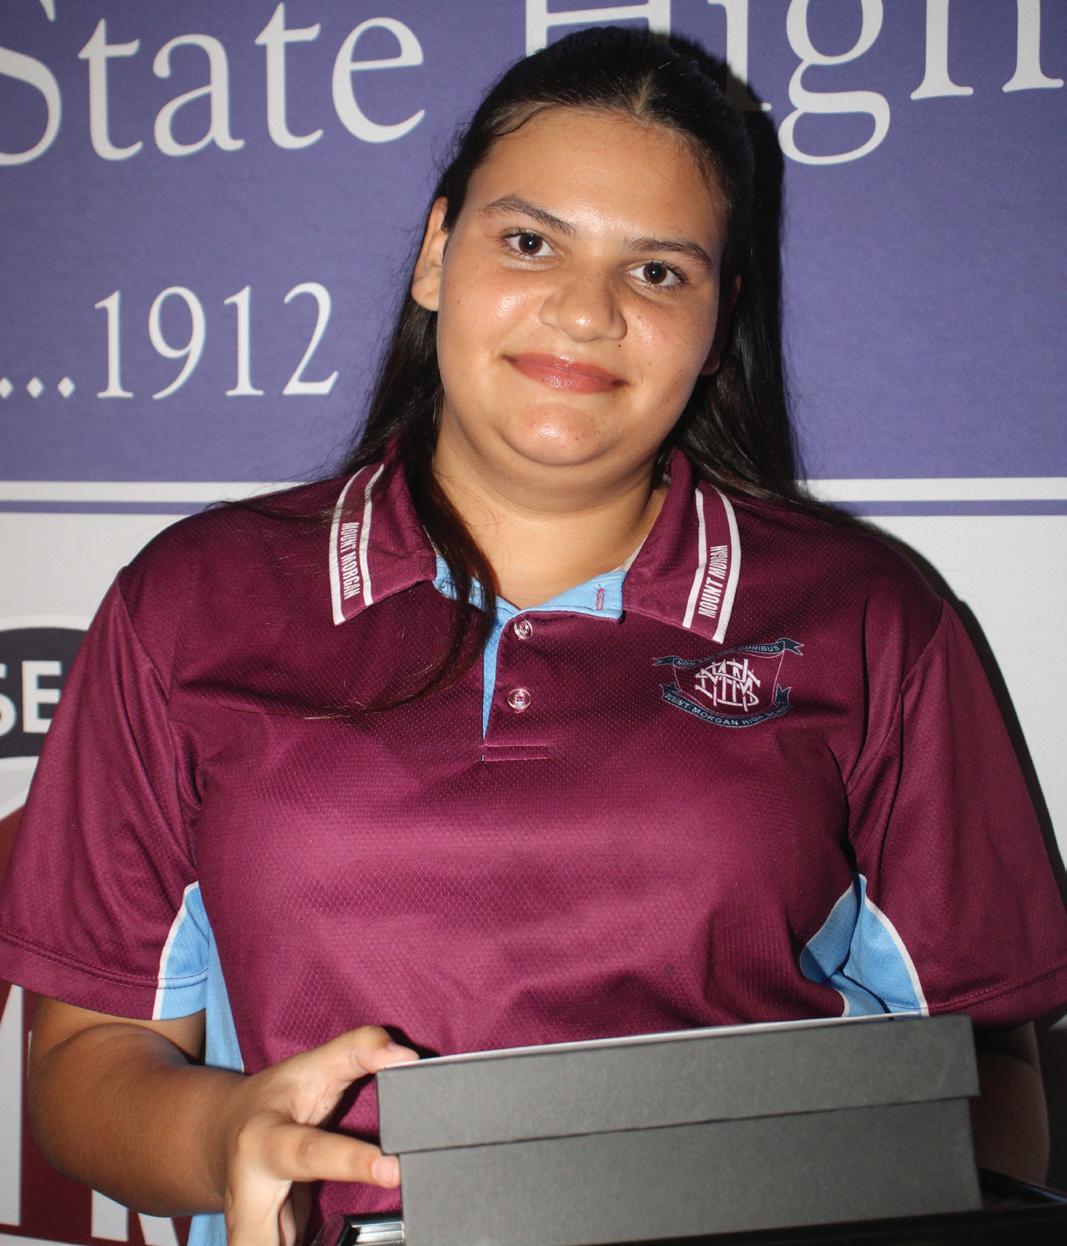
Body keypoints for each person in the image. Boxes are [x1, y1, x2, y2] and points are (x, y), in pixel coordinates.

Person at [1, 24, 1066, 1246]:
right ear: (435, 255)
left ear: (718, 318)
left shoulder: (871, 618)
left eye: (656, 271)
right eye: (528, 242)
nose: (585, 311)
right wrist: (228, 1135)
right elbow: (87, 1060)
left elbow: (989, 1068)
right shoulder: (192, 602)